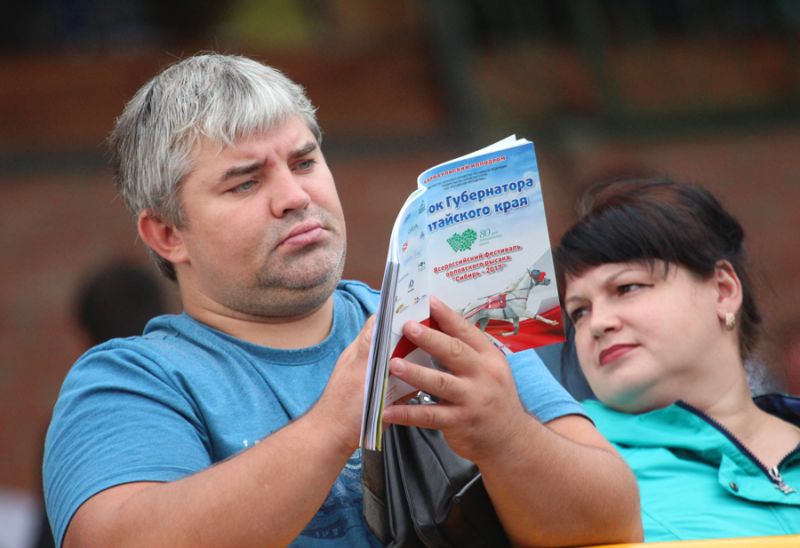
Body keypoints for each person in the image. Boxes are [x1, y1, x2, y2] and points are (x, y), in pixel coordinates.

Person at [43, 53, 642, 548]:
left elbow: (614, 520)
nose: (294, 196)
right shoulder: (128, 381)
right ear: (168, 234)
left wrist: (504, 435)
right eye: (245, 182)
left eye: (305, 162)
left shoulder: (442, 323)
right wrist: (334, 425)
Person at [555, 177, 800, 542]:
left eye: (627, 287)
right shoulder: (557, 461)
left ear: (723, 290)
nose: (598, 323)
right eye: (579, 311)